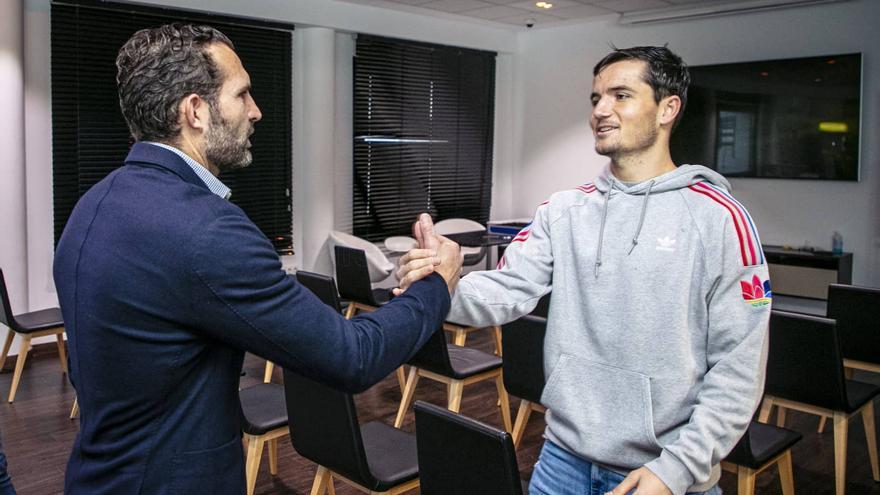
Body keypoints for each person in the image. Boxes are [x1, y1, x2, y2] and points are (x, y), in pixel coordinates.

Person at [53, 24, 462, 494]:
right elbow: (352, 358)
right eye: (242, 94)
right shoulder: (206, 230)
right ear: (195, 111)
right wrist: (437, 283)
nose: (256, 111)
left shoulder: (93, 204)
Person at [397, 46, 770, 495]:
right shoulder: (564, 210)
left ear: (668, 108)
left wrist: (676, 470)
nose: (601, 111)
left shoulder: (720, 218)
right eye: (596, 99)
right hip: (561, 458)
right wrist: (439, 285)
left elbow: (739, 366)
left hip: (662, 473)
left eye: (621, 96)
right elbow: (507, 291)